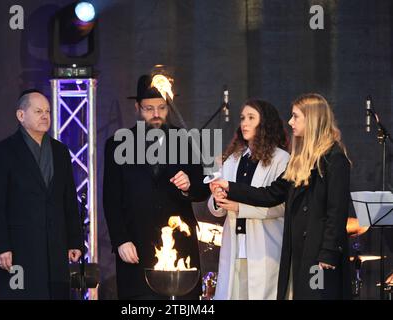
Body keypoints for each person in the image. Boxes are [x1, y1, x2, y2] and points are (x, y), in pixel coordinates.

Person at [211, 93, 352, 300]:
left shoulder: (334, 159)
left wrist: (328, 252)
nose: (290, 122)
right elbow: (271, 194)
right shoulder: (302, 160)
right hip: (299, 250)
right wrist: (229, 187)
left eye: (295, 117)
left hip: (318, 254)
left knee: (318, 295)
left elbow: (336, 211)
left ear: (311, 119)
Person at [103, 75, 209, 299]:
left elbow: (203, 188)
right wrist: (120, 239)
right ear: (137, 107)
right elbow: (111, 198)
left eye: (161, 107)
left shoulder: (184, 140)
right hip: (136, 245)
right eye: (149, 108)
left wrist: (189, 186)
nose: (156, 114)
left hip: (179, 244)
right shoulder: (117, 144)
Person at [0, 89, 83, 299]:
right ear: (21, 115)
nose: (45, 116)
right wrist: (1, 246)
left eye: (47, 111)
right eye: (38, 111)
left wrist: (74, 240)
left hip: (55, 247)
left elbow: (68, 200)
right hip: (19, 249)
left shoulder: (60, 151)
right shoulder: (2, 152)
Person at [208, 99, 290, 300]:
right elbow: (214, 208)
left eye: (251, 118)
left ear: (265, 123)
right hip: (234, 247)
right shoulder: (234, 158)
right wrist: (217, 199)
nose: (244, 123)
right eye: (243, 118)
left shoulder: (281, 159)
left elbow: (281, 206)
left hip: (265, 248)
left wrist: (239, 207)